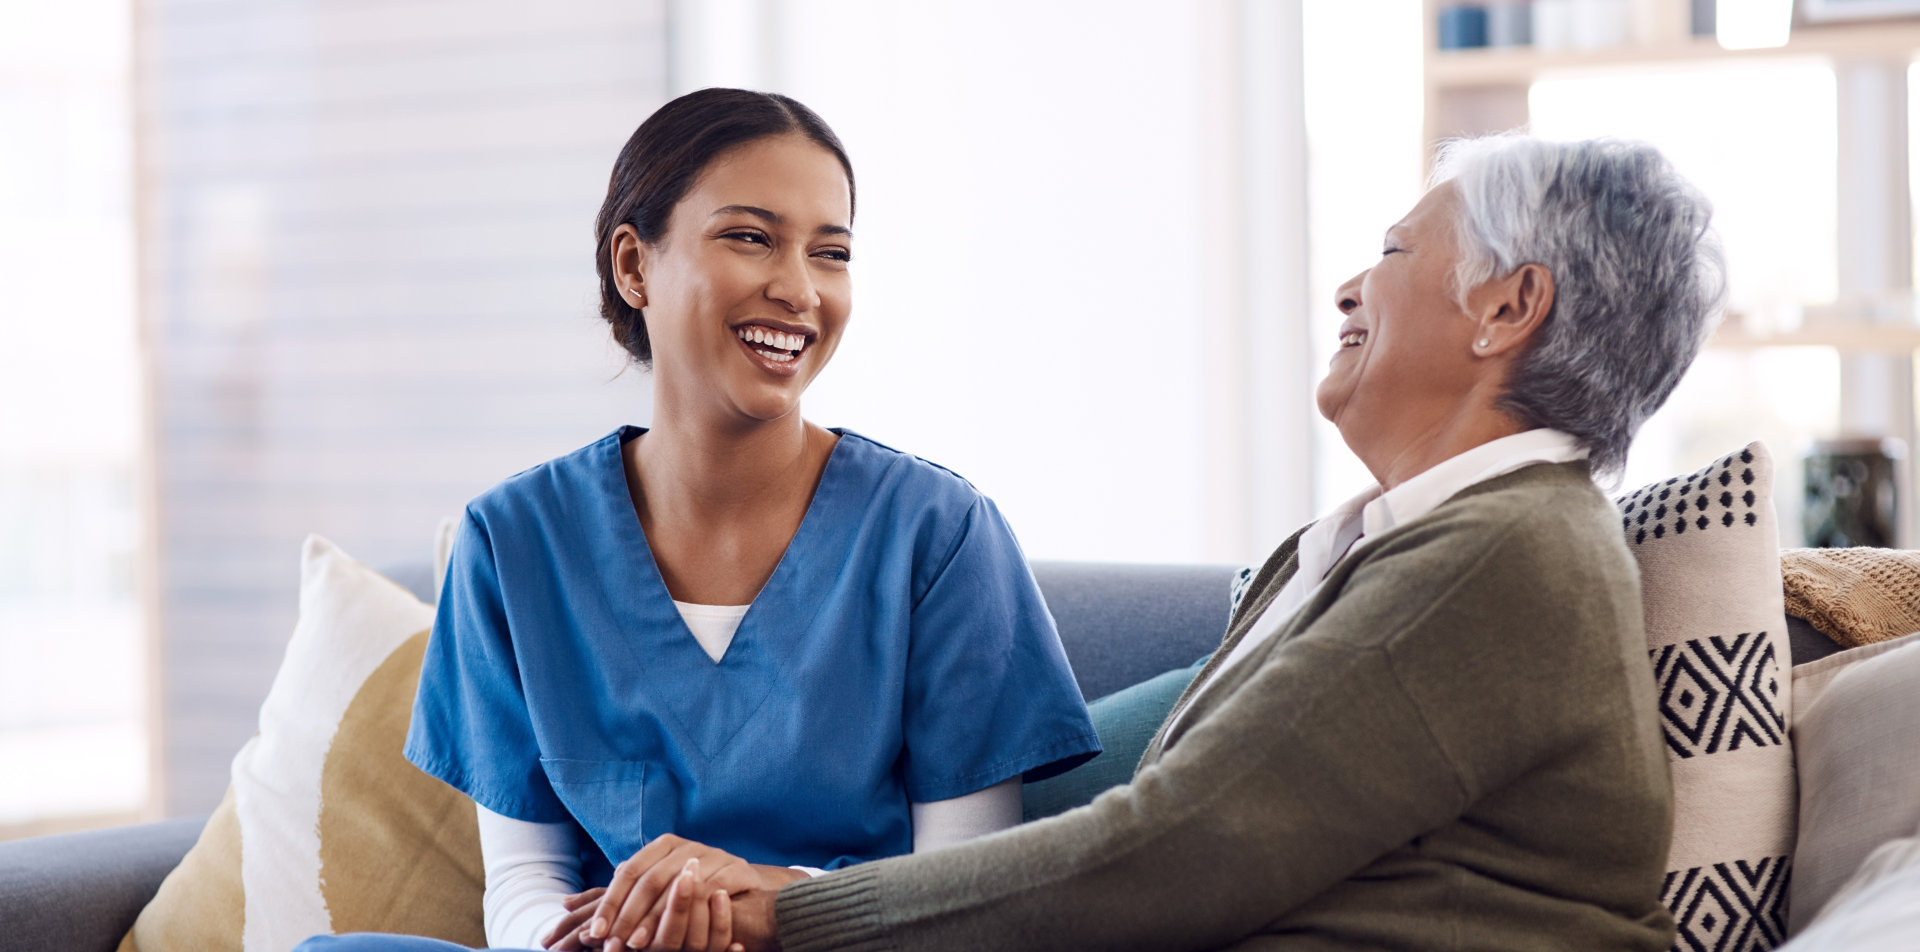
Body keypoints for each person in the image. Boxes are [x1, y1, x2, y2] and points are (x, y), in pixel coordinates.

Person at [594, 133, 1727, 951]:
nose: (1348, 284)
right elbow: (1141, 797)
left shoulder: (1499, 557)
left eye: (1391, 250)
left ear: (1505, 308)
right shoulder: (1409, 546)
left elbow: (1178, 848)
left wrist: (791, 912)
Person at [299, 88, 1100, 952]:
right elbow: (526, 880)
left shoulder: (939, 536)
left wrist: (774, 903)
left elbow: (965, 893)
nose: (799, 289)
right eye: (751, 237)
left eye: (830, 253)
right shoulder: (513, 542)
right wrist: (591, 941)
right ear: (633, 266)